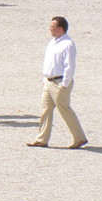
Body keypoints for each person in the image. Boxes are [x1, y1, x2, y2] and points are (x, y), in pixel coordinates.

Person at [28, 16, 87, 149]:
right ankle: (42, 139)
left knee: (65, 110)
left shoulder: (68, 44)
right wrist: (45, 79)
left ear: (60, 29)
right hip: (49, 82)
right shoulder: (52, 42)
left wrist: (64, 84)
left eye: (52, 27)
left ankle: (79, 137)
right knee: (45, 110)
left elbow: (69, 66)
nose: (50, 29)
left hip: (59, 82)